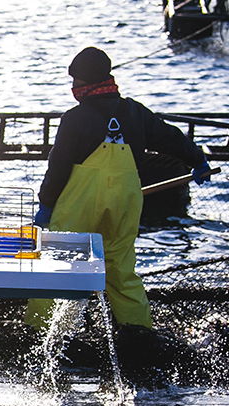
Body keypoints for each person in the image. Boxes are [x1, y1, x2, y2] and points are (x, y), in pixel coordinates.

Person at [27, 47, 210, 331]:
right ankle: (139, 335)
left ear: (83, 83)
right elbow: (170, 138)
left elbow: (58, 167)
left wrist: (47, 204)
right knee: (121, 271)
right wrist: (197, 159)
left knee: (59, 264)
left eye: (74, 81)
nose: (73, 87)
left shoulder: (75, 118)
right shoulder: (135, 112)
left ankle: (42, 333)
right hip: (125, 202)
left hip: (80, 205)